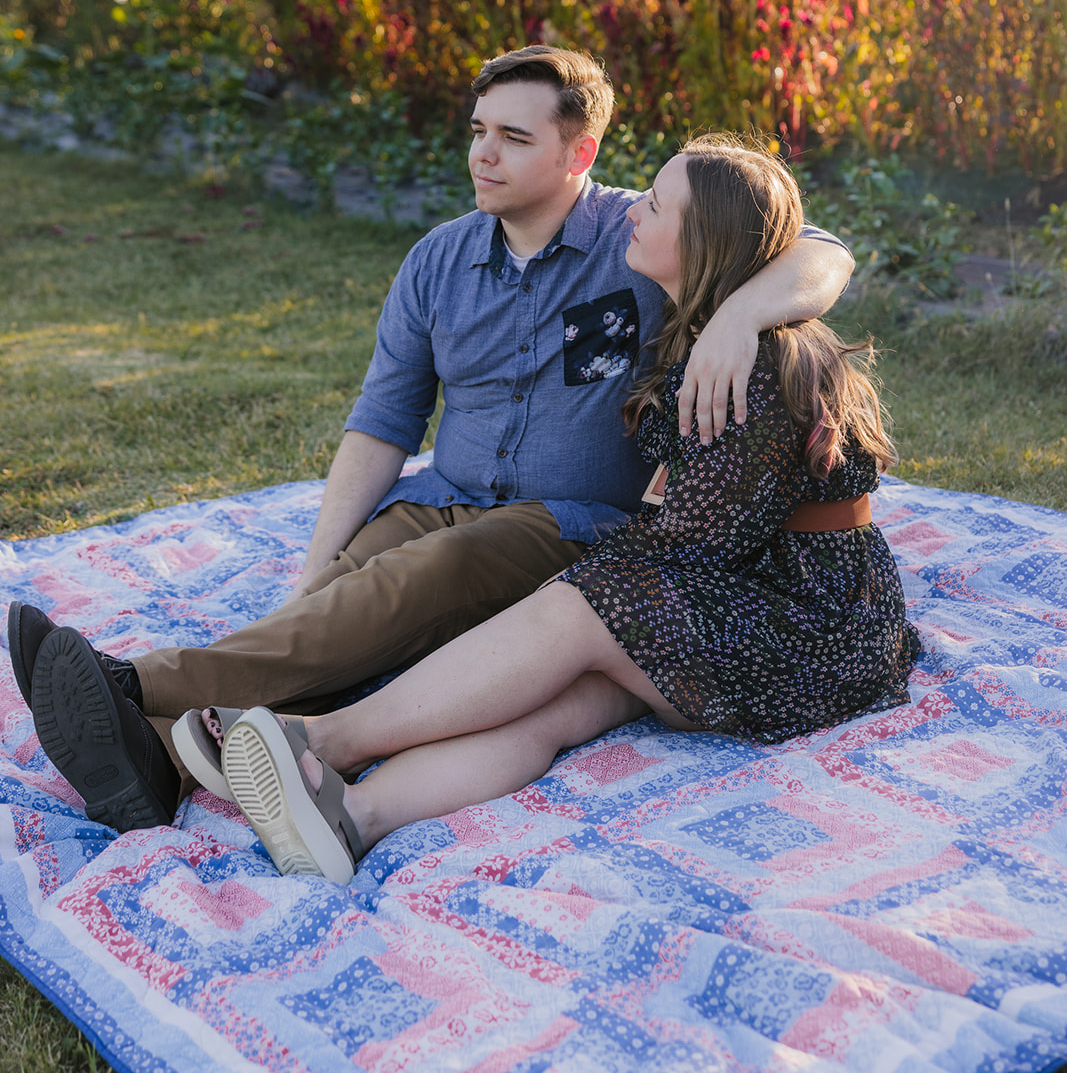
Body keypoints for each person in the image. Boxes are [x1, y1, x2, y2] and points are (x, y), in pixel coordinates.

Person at [11, 51, 852, 835]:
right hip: (436, 496)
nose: (483, 155)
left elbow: (818, 249)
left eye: (514, 138)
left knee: (426, 580)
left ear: (578, 151)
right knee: (343, 602)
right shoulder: (435, 262)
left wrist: (741, 314)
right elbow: (383, 422)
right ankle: (157, 762)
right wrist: (317, 566)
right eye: (478, 132)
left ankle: (136, 682)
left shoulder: (642, 237)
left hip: (562, 519)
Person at [190, 135, 918, 884]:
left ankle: (322, 740)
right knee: (557, 705)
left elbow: (697, 546)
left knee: (577, 609)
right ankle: (353, 819)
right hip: (760, 598)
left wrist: (567, 594)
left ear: (700, 241)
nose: (635, 210)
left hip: (809, 625)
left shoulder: (753, 366)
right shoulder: (701, 333)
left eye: (657, 205)